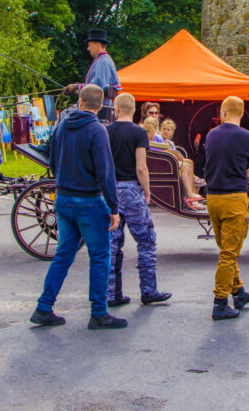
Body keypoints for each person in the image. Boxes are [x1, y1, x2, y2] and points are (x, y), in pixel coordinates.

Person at [30, 85, 125, 329]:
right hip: (89, 200)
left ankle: (44, 306)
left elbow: (52, 161)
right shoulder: (97, 130)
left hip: (63, 198)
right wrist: (114, 207)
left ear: (80, 102)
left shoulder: (62, 126)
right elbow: (105, 172)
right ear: (100, 106)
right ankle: (98, 312)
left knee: (63, 254)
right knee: (100, 256)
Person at [105, 93, 172, 308]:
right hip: (131, 190)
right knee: (146, 241)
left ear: (116, 109)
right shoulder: (139, 133)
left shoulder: (106, 131)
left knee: (112, 244)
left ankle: (112, 293)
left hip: (111, 190)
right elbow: (141, 167)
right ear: (134, 110)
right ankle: (148, 290)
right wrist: (147, 190)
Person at [204, 95, 249, 320]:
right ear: (242, 114)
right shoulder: (247, 137)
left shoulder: (212, 134)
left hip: (213, 198)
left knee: (226, 249)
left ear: (223, 112)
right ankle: (220, 302)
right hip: (234, 198)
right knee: (229, 254)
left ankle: (238, 292)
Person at [64, 29, 121, 123]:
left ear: (98, 45)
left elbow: (96, 88)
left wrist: (77, 86)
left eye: (90, 45)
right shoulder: (105, 59)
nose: (88, 48)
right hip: (99, 107)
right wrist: (76, 91)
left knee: (65, 115)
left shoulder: (102, 62)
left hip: (95, 108)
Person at [145, 117, 202, 207]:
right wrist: (172, 152)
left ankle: (191, 195)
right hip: (158, 165)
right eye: (147, 130)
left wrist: (173, 153)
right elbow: (161, 152)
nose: (148, 132)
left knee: (189, 163)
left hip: (163, 162)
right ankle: (189, 193)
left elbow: (163, 151)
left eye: (150, 130)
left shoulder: (158, 138)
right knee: (185, 166)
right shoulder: (145, 139)